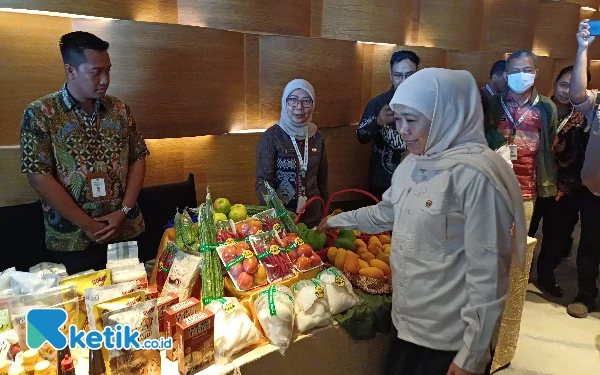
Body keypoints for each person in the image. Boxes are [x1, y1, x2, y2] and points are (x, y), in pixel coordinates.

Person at [319, 68, 526, 375]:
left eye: (411, 119)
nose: (402, 129)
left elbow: (490, 274)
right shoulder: (412, 164)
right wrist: (338, 221)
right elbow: (385, 213)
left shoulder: (475, 176)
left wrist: (471, 354)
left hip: (449, 339)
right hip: (407, 322)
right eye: (398, 119)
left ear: (445, 114)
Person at [20, 31, 149, 275]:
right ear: (71, 70)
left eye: (108, 70)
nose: (105, 80)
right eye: (96, 72)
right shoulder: (41, 114)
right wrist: (87, 224)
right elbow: (38, 176)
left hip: (125, 230)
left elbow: (138, 157)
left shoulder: (119, 109)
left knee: (135, 302)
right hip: (72, 239)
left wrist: (123, 212)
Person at [531, 67, 590, 298]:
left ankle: (546, 275)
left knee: (556, 236)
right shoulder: (539, 107)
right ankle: (520, 272)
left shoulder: (585, 117)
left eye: (574, 86)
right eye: (564, 84)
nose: (567, 91)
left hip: (567, 188)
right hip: (534, 183)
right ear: (555, 83)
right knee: (527, 231)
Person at [483, 50, 557, 233]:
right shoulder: (492, 104)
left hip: (525, 190)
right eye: (515, 71)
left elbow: (548, 145)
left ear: (536, 73)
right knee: (486, 240)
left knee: (518, 247)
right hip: (491, 187)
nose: (521, 75)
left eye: (526, 70)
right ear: (507, 75)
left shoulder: (546, 107)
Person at [255, 79, 328, 228]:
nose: (299, 107)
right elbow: (263, 182)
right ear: (284, 102)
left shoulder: (317, 136)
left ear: (313, 104)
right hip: (281, 221)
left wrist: (326, 213)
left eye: (306, 101)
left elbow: (322, 181)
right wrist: (277, 216)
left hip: (314, 218)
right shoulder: (271, 136)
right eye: (293, 100)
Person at [564, 19, 600, 318]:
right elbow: (577, 95)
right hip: (595, 191)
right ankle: (587, 295)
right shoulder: (599, 102)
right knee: (589, 244)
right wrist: (582, 49)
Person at [356, 50, 420, 200]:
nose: (403, 81)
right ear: (391, 75)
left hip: (416, 181)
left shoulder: (428, 104)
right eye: (398, 75)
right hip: (382, 183)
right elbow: (360, 136)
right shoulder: (378, 103)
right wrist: (377, 122)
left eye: (409, 75)